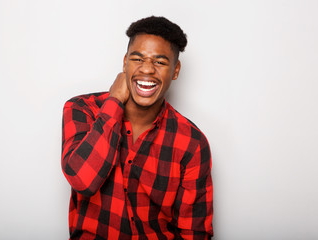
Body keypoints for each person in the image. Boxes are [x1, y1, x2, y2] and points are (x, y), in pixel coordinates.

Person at [61, 16, 213, 239]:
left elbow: (195, 232)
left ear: (176, 70)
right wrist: (113, 104)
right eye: (137, 59)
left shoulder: (192, 142)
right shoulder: (82, 110)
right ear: (125, 63)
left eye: (160, 62)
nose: (147, 70)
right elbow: (83, 181)